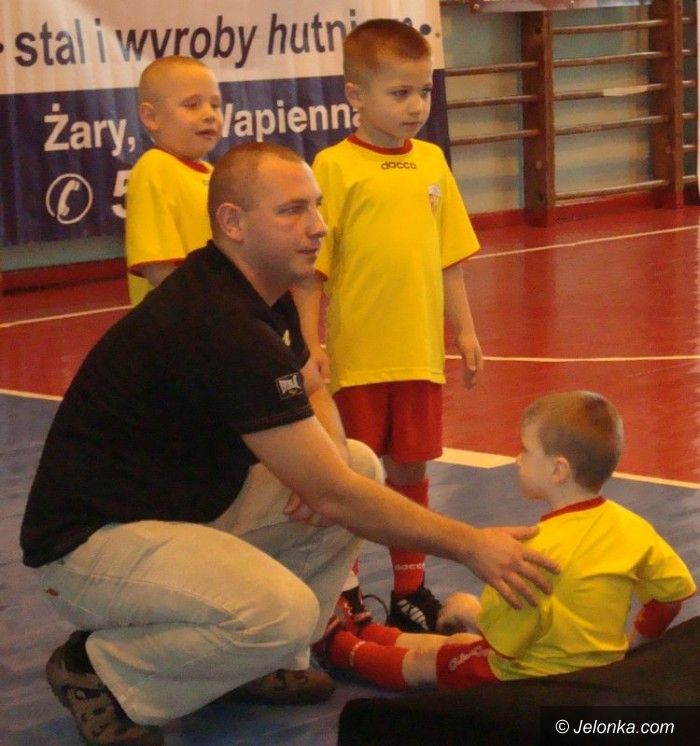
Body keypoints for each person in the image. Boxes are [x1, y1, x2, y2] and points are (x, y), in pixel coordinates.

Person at [20, 143, 559, 745]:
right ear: (233, 222)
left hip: (174, 515)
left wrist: (329, 469)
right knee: (288, 608)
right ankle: (100, 671)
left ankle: (245, 661)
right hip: (87, 551)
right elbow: (334, 496)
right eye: (292, 211)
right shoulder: (219, 320)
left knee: (356, 464)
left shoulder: (255, 293)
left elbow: (314, 390)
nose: (318, 226)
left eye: (317, 206)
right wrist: (472, 545)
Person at [293, 19, 483, 633]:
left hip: (420, 356)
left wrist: (465, 330)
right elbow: (312, 271)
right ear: (355, 95)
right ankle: (344, 592)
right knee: (353, 476)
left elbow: (449, 257)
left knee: (410, 471)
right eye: (399, 93)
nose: (416, 106)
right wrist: (309, 342)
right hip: (359, 360)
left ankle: (409, 589)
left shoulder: (432, 161)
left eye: (424, 91)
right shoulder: (333, 166)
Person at [322, 391, 696, 691]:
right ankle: (372, 633)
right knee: (456, 645)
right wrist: (634, 643)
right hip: (593, 666)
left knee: (430, 661)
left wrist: (471, 611)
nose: (517, 459)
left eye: (525, 450)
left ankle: (343, 650)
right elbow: (670, 596)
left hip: (526, 675)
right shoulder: (633, 528)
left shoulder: (536, 550)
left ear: (558, 470)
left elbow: (504, 644)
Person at [125, 55, 223, 304]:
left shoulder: (212, 173)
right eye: (192, 105)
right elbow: (158, 266)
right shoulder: (154, 169)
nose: (209, 115)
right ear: (151, 117)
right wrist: (207, 306)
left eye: (215, 105)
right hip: (181, 317)